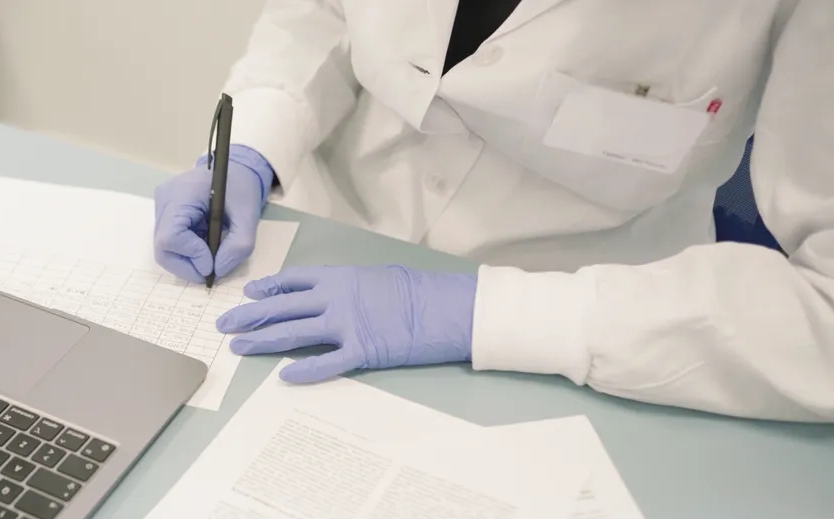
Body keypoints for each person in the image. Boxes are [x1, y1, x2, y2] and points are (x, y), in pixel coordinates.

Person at [152, 0, 833, 423]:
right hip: (315, 250)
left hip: (587, 343)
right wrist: (255, 144)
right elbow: (329, 13)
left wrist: (490, 314)